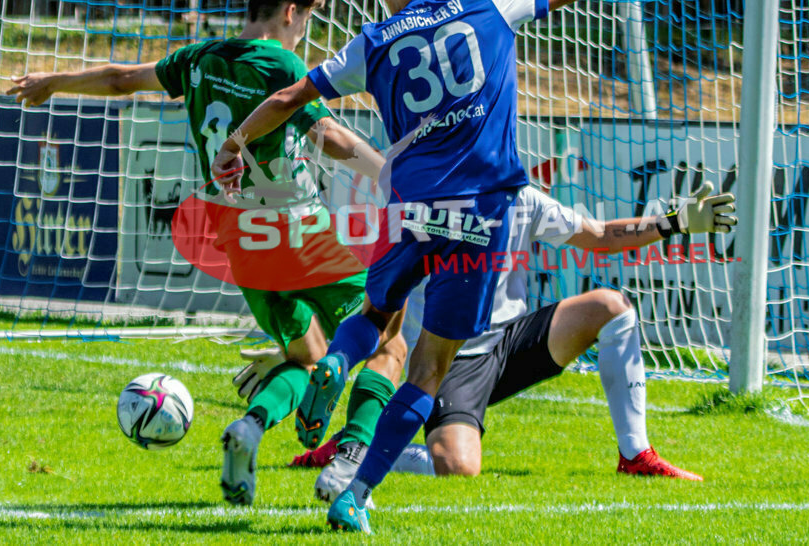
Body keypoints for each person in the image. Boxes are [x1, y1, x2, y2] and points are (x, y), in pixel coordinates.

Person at [212, 0, 590, 532]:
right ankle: (354, 496)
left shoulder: (374, 40)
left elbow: (289, 99)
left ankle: (333, 361)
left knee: (375, 312)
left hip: (412, 209)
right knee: (428, 367)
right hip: (481, 218)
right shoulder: (489, 3)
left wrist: (236, 142)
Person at [8, 0, 408, 507]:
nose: (305, 34)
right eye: (307, 22)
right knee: (389, 338)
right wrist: (391, 173)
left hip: (240, 238)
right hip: (298, 226)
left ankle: (250, 427)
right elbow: (329, 136)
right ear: (291, 13)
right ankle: (351, 457)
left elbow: (124, 80)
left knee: (305, 358)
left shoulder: (198, 59)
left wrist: (54, 82)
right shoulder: (280, 63)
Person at [241, 182, 735, 492]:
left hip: (508, 342)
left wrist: (676, 221)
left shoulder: (520, 195)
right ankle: (360, 448)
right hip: (447, 359)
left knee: (611, 307)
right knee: (458, 468)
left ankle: (636, 456)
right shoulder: (428, 200)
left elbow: (601, 236)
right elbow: (387, 305)